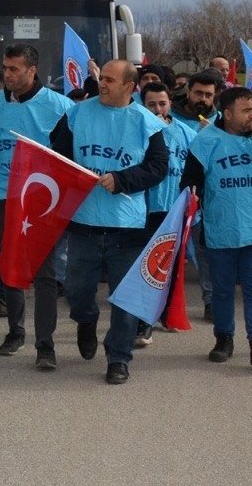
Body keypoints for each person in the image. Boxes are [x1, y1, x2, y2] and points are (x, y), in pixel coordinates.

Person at [50, 59, 168, 384]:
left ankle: (118, 357)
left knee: (125, 298)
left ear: (130, 87)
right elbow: (57, 153)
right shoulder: (77, 113)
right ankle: (86, 320)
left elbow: (158, 167)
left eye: (111, 80)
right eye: (102, 78)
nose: (103, 84)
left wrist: (122, 179)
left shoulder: (147, 122)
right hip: (84, 221)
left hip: (126, 226)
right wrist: (73, 174)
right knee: (76, 290)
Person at [180, 87, 252, 367]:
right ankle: (224, 338)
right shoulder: (206, 141)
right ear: (227, 113)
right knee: (222, 290)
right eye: (246, 111)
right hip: (222, 230)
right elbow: (189, 183)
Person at [0, 44, 74, 367]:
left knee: (46, 274)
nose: (6, 75)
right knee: (10, 267)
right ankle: (15, 330)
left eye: (13, 69)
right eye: (4, 69)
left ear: (32, 71)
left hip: (42, 202)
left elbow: (68, 157)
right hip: (3, 201)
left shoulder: (60, 107)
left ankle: (45, 344)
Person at [138, 81, 194, 347]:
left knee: (169, 268)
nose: (158, 109)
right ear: (142, 104)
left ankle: (166, 314)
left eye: (162, 103)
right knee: (148, 268)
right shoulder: (139, 130)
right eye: (151, 104)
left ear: (170, 102)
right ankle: (143, 323)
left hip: (176, 210)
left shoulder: (186, 133)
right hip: (146, 210)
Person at [169, 70, 222, 319]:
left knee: (206, 254)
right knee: (168, 254)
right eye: (198, 93)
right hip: (172, 197)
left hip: (205, 199)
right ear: (188, 91)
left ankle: (211, 301)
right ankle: (163, 305)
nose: (203, 98)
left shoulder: (221, 121)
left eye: (208, 95)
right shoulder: (171, 117)